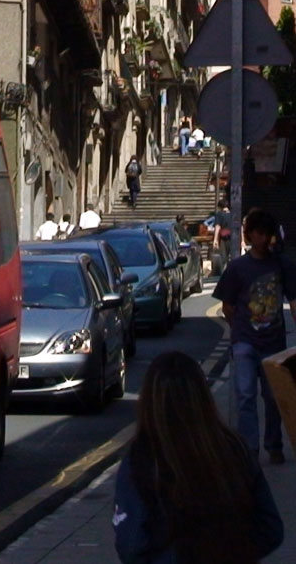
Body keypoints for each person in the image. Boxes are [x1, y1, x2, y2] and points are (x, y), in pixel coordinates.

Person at [113, 351, 283, 564]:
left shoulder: (143, 458)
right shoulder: (234, 448)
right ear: (203, 398)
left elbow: (131, 544)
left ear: (149, 401)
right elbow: (271, 528)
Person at [212, 208, 296, 465]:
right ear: (249, 235)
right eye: (258, 233)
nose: (263, 239)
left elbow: (293, 301)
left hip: (274, 343)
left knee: (273, 398)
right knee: (245, 395)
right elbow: (227, 306)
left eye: (266, 234)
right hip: (245, 341)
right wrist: (238, 331)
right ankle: (249, 448)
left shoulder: (282, 265)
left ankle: (273, 444)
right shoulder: (238, 268)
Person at [212, 198, 233, 264]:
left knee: (224, 258)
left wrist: (215, 239)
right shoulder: (233, 214)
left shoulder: (219, 214)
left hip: (224, 239)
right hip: (234, 239)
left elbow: (217, 227)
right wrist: (242, 240)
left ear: (220, 207)